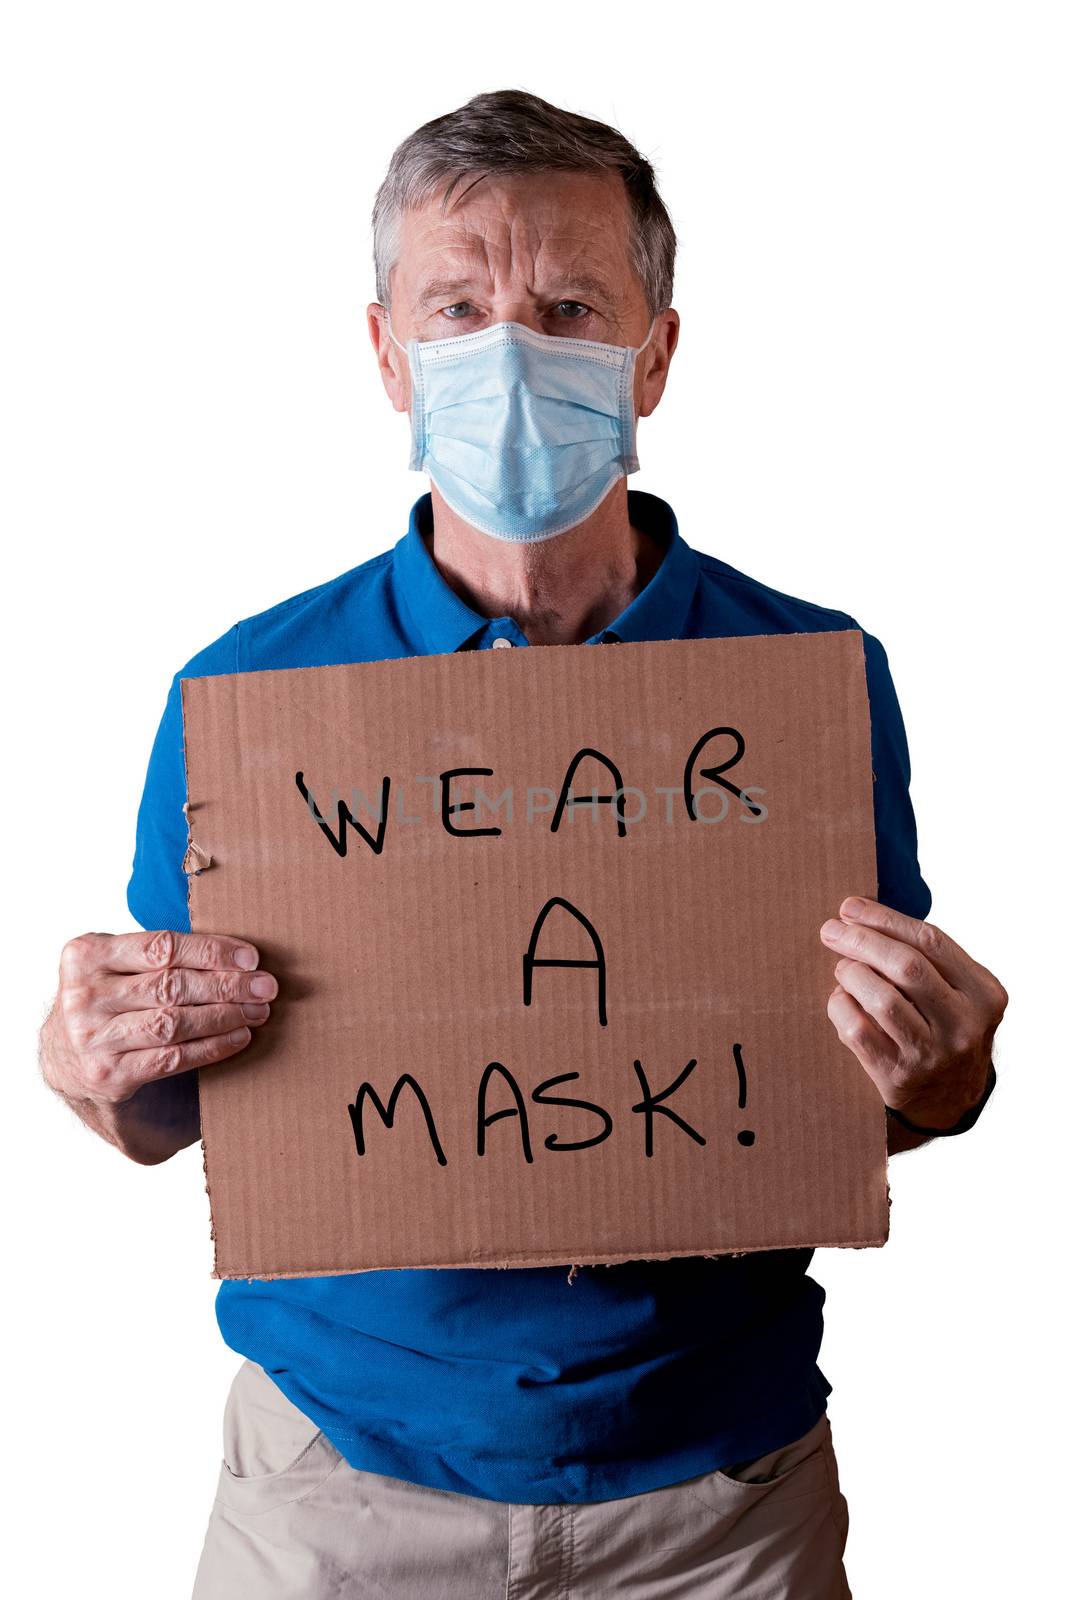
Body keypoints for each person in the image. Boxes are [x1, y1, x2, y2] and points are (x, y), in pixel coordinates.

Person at [39, 89, 1008, 1599]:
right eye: (458, 306)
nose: (508, 350)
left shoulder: (805, 682)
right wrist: (91, 1067)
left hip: (717, 1503)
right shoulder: (251, 699)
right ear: (387, 355)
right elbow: (178, 1118)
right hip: (337, 1496)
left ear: (655, 354)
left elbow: (846, 1103)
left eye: (566, 308)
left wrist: (949, 1085)